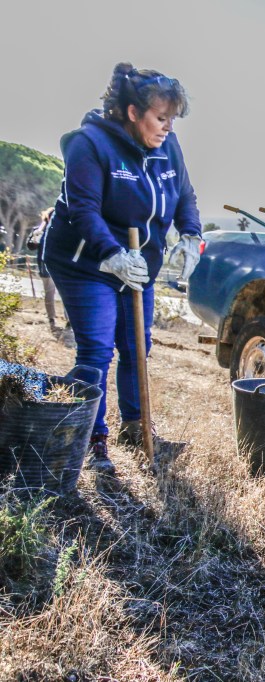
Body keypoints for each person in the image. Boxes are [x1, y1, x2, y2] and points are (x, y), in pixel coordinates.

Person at [42, 62, 203, 473]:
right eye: (161, 118)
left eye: (172, 119)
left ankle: (136, 429)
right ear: (133, 112)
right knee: (97, 349)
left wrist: (190, 235)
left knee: (136, 346)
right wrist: (112, 254)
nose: (168, 127)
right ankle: (89, 440)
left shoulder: (168, 145)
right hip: (86, 261)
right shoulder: (89, 144)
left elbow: (184, 193)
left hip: (138, 263)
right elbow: (83, 209)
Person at [26, 207, 71, 339]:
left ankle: (69, 320)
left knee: (66, 294)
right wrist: (38, 233)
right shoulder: (39, 230)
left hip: (61, 267)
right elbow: (31, 246)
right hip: (45, 266)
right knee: (49, 294)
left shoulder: (64, 230)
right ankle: (51, 318)